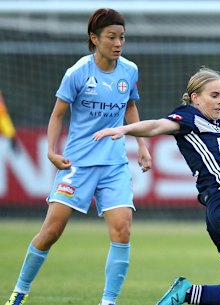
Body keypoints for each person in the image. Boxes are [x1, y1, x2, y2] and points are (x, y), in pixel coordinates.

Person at [92, 64, 220, 305]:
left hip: (219, 212)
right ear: (195, 98)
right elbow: (158, 125)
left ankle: (188, 294)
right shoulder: (189, 118)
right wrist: (125, 128)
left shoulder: (219, 126)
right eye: (214, 95)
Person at [4, 8, 152, 305]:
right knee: (52, 231)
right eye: (111, 37)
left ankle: (108, 302)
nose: (118, 43)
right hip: (78, 163)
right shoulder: (77, 73)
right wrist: (50, 151)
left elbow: (130, 107)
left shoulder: (130, 70)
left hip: (114, 164)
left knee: (122, 230)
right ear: (94, 39)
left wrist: (143, 147)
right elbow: (57, 115)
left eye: (122, 37)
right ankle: (19, 292)